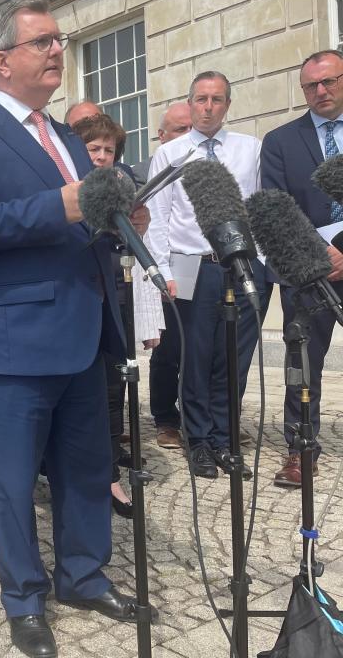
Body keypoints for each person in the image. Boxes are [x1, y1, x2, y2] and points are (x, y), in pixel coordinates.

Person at [0, 0, 145, 657]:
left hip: (83, 332)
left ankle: (82, 574)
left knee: (85, 470)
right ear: (2, 62)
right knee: (13, 481)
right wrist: (61, 204)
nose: (58, 51)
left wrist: (115, 214)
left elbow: (82, 220)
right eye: (42, 42)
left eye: (59, 40)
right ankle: (25, 599)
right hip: (11, 342)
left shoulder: (67, 139)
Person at [147, 71, 263, 479]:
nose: (208, 107)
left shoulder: (250, 149)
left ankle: (225, 438)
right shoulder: (172, 153)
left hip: (240, 264)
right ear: (190, 103)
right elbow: (158, 218)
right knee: (195, 358)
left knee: (233, 359)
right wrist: (162, 270)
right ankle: (197, 439)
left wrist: (260, 261)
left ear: (227, 105)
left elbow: (259, 206)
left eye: (216, 100)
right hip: (191, 264)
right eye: (200, 99)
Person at [71, 114, 164, 519]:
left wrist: (136, 228)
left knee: (114, 395)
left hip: (116, 303)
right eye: (95, 149)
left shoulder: (124, 190)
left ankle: (109, 475)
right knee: (76, 398)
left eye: (109, 150)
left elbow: (135, 259)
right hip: (75, 305)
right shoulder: (66, 192)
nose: (103, 157)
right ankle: (71, 475)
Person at [261, 49, 343, 486]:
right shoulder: (281, 141)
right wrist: (320, 255)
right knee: (302, 362)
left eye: (329, 81)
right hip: (307, 271)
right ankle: (300, 446)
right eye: (311, 85)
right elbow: (276, 209)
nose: (321, 91)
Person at [133, 102, 191, 450]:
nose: (187, 136)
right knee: (168, 346)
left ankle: (199, 415)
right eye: (179, 130)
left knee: (200, 347)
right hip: (161, 267)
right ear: (162, 135)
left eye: (190, 129)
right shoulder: (144, 170)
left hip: (201, 264)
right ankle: (164, 417)